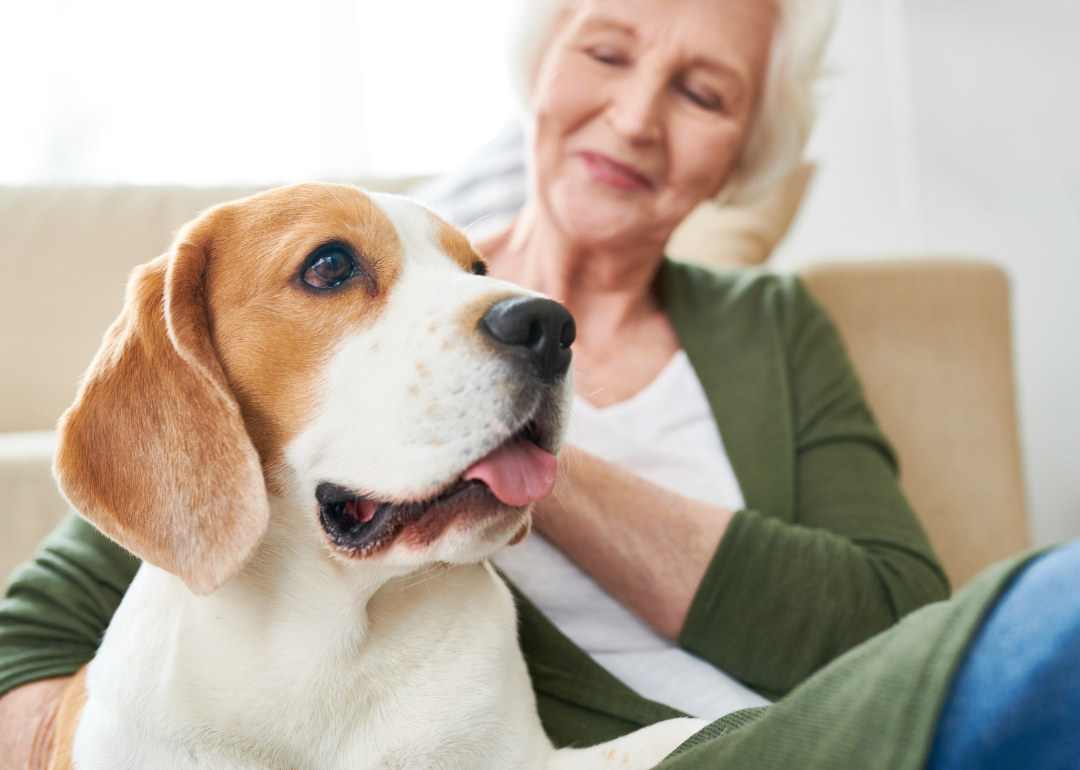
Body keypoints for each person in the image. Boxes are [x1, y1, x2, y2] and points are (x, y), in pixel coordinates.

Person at [3, 0, 1076, 767]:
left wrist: (528, 460)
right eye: (607, 50)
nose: (638, 116)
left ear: (746, 150)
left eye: (703, 92)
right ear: (543, 62)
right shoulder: (310, 301)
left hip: (798, 728)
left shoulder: (774, 325)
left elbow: (894, 620)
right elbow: (42, 637)